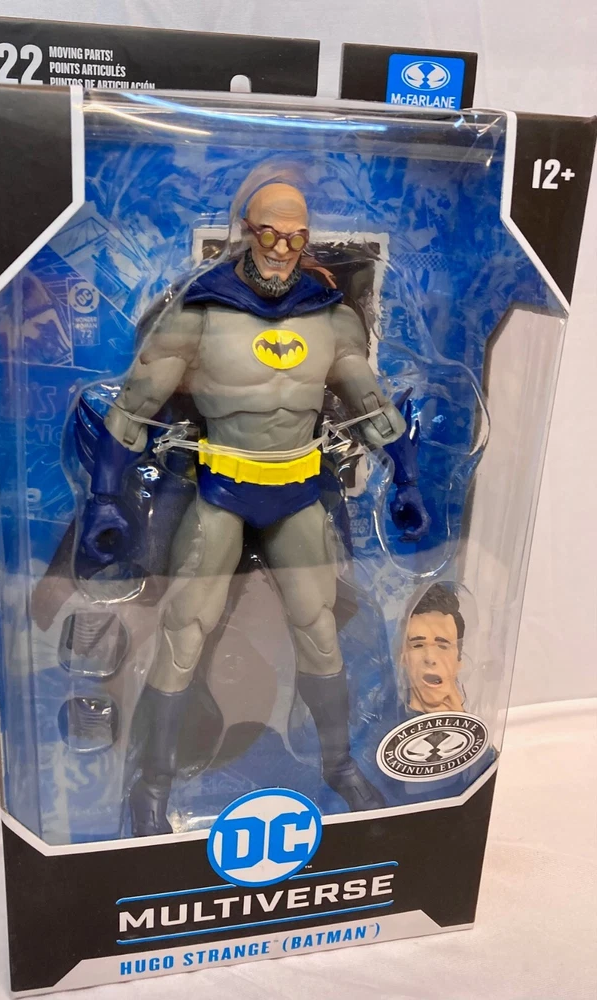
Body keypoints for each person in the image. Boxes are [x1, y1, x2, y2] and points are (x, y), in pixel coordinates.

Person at [81, 179, 430, 835]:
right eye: (270, 233)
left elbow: (371, 403)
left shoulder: (330, 317)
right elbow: (133, 409)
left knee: (319, 629)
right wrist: (104, 497)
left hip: (297, 491)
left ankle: (339, 766)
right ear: (247, 229)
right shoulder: (200, 314)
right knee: (184, 631)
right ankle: (151, 785)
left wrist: (406, 477)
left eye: (296, 237)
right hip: (221, 490)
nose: (281, 249)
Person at [401, 584, 466, 714]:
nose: (430, 658)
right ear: (403, 659)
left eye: (442, 646)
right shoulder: (387, 719)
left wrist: (459, 718)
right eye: (418, 645)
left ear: (458, 661)